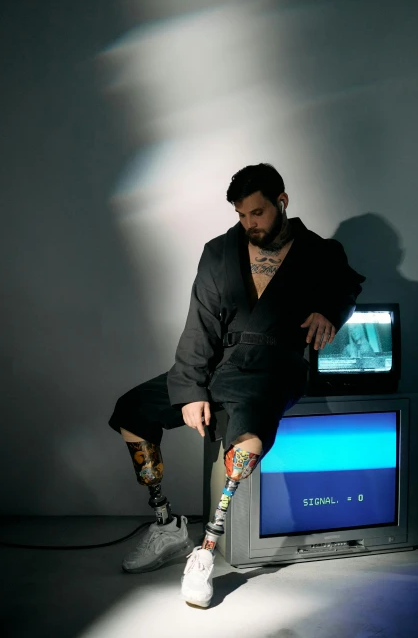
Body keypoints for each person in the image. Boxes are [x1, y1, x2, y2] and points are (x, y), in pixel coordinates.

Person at [108, 163, 365, 607]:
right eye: (242, 215)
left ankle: (204, 552)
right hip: (219, 363)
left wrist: (327, 310)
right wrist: (189, 390)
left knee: (245, 442)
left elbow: (345, 287)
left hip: (275, 366)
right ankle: (167, 526)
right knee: (132, 410)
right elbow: (199, 324)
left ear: (282, 202)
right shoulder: (219, 251)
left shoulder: (321, 251)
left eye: (258, 213)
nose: (250, 224)